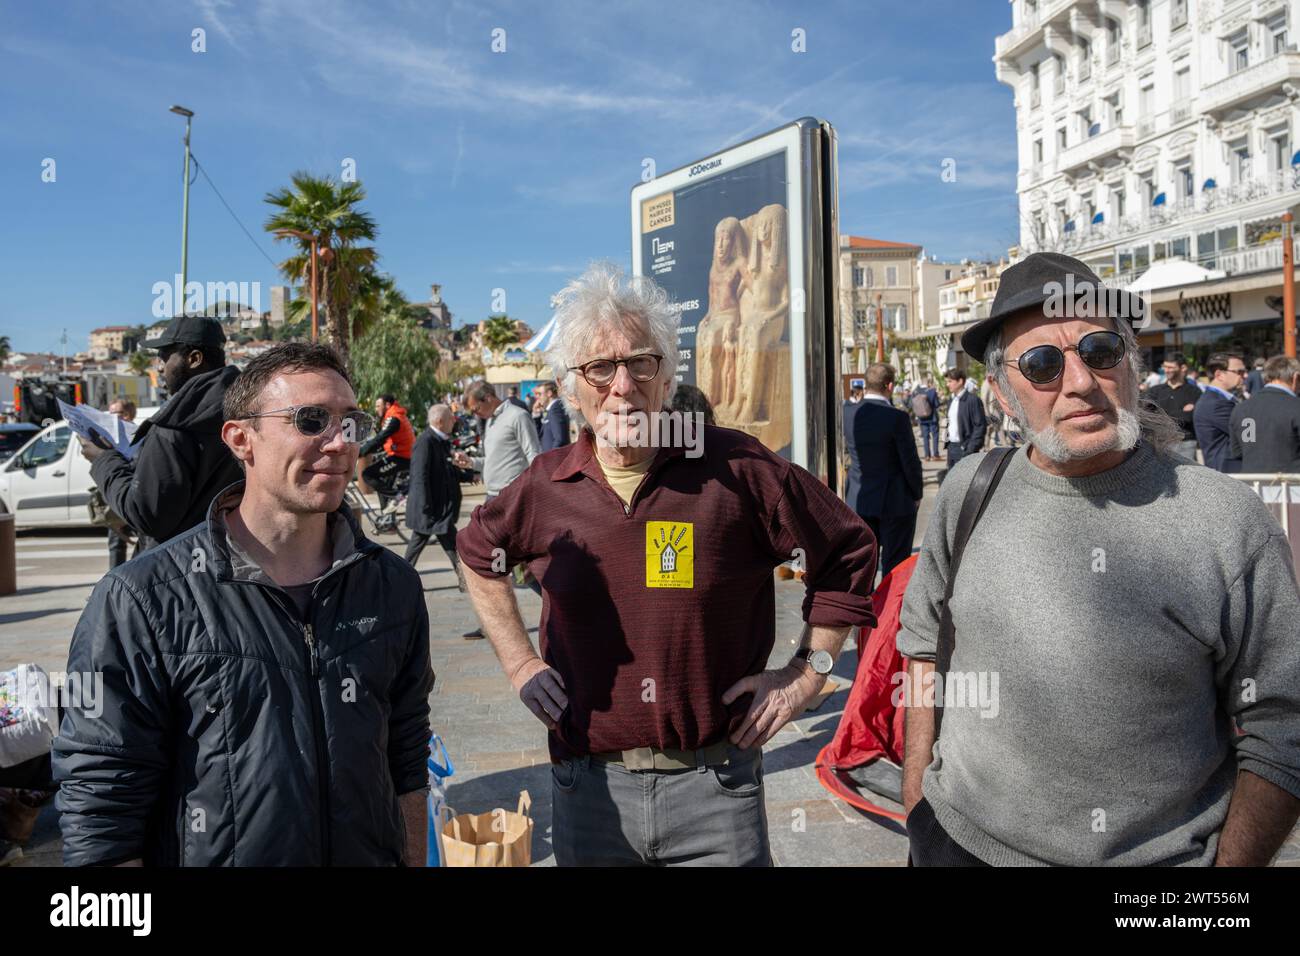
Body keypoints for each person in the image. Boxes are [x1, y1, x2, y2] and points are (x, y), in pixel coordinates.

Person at [456, 263, 877, 867]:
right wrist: (521, 662)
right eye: (600, 368)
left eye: (640, 363)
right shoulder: (545, 487)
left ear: (665, 377)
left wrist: (806, 674)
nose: (622, 385)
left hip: (718, 791)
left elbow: (847, 549)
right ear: (572, 390)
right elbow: (477, 556)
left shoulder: (734, 468)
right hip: (588, 792)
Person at [898, 252, 1300, 867]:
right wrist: (917, 801)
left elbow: (1285, 721)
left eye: (1100, 351)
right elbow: (923, 645)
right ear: (1006, 396)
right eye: (1042, 364)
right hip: (958, 844)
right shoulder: (967, 490)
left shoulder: (1227, 520)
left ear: (1132, 368)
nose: (1081, 382)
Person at [52, 343, 434, 866]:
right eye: (311, 420)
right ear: (240, 439)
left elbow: (407, 755)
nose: (339, 443)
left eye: (350, 423)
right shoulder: (140, 599)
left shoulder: (392, 586)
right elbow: (102, 800)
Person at [79, 315, 242, 552]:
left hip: (179, 566)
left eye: (164, 357)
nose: (159, 366)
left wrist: (103, 459)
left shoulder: (173, 426)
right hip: (236, 555)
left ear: (194, 359)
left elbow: (148, 515)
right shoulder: (249, 411)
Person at [451, 379, 541, 635]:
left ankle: (558, 607)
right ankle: (494, 622)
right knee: (491, 564)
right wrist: (471, 462)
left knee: (520, 567)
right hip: (493, 501)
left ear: (488, 398)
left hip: (512, 502)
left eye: (474, 408)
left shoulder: (517, 416)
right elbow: (492, 461)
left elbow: (535, 457)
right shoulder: (490, 422)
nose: (474, 414)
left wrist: (528, 499)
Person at [843, 363, 923, 577]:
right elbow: (910, 462)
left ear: (865, 383)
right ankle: (887, 610)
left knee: (862, 568)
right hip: (894, 500)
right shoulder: (897, 418)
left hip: (859, 498)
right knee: (894, 568)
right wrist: (917, 494)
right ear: (889, 385)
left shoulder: (848, 413)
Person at [405, 404, 465, 586]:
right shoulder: (425, 441)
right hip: (431, 509)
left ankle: (466, 581)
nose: (453, 421)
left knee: (451, 546)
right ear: (439, 422)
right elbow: (419, 476)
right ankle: (399, 581)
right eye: (450, 418)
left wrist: (470, 475)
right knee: (420, 547)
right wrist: (425, 506)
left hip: (439, 509)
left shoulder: (440, 440)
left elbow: (446, 470)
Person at [1230, 354, 1300, 473]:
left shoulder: (1240, 409)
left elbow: (1237, 452)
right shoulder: (1296, 406)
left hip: (1250, 484)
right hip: (1291, 485)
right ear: (1295, 377)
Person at [359, 394, 415, 509]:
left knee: (368, 474)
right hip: (402, 455)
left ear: (387, 405)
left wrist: (360, 452)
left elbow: (380, 438)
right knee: (383, 486)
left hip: (401, 458)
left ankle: (398, 497)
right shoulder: (396, 415)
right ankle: (388, 519)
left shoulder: (394, 418)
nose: (376, 409)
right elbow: (386, 441)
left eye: (378, 406)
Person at [1193, 352, 1247, 473]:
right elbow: (1248, 435)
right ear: (1219, 375)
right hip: (1228, 473)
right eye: (1240, 372)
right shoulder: (1215, 404)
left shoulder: (1220, 400)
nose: (1245, 375)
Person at [1147, 352, 1201, 462]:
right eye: (1165, 366)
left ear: (1183, 368)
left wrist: (1161, 412)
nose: (1166, 370)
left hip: (1186, 443)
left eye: (1170, 367)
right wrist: (1181, 412)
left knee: (1189, 476)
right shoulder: (1155, 391)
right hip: (1160, 443)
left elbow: (1189, 418)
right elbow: (1148, 415)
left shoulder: (1194, 392)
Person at [104, 398, 137, 567]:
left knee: (145, 543)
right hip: (116, 498)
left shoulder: (138, 436)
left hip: (134, 497)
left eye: (114, 413)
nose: (110, 418)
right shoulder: (110, 439)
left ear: (126, 415)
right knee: (116, 544)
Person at [941, 369, 986, 469]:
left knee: (964, 482)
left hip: (965, 448)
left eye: (950, 381)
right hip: (951, 447)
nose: (948, 385)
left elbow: (980, 426)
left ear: (960, 381)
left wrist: (970, 449)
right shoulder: (951, 401)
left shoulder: (973, 400)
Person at [911, 379, 940, 461]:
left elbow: (912, 405)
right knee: (935, 436)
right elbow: (937, 404)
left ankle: (927, 455)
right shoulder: (932, 391)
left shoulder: (916, 392)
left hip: (922, 419)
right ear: (928, 383)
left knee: (925, 437)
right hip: (933, 418)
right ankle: (935, 455)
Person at [537, 381, 571, 452]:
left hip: (553, 458)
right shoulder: (552, 408)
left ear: (549, 393)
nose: (538, 397)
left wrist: (551, 458)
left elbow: (560, 439)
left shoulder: (555, 409)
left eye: (539, 394)